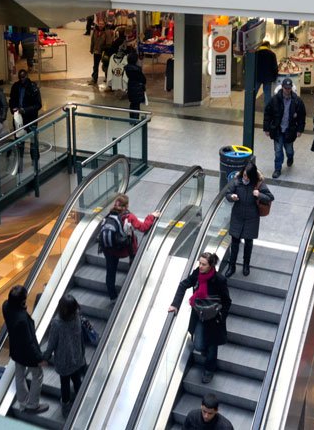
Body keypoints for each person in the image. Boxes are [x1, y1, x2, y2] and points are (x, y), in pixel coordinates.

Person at [168, 252, 231, 384]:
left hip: (214, 319)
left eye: (203, 264)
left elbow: (227, 301)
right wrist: (175, 304)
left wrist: (221, 316)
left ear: (211, 265)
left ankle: (209, 370)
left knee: (212, 347)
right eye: (199, 263)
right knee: (198, 344)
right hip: (200, 315)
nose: (200, 266)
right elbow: (183, 285)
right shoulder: (198, 274)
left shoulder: (219, 280)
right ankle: (206, 352)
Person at [101, 194, 160, 301]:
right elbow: (143, 227)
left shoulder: (110, 214)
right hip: (124, 249)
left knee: (110, 272)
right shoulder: (129, 217)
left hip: (109, 249)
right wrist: (151, 216)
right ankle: (133, 270)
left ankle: (113, 297)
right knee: (134, 239)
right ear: (127, 205)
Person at [2, 286, 49, 415]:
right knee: (37, 374)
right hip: (27, 353)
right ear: (22, 301)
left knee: (19, 374)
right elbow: (29, 343)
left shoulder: (5, 306)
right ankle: (33, 405)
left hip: (15, 350)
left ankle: (22, 402)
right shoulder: (22, 320)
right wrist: (39, 359)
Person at [222, 162, 274, 277]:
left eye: (248, 176)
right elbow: (227, 194)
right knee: (234, 241)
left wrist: (259, 194)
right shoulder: (237, 181)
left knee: (248, 242)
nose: (245, 178)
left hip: (252, 217)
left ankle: (246, 265)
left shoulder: (258, 184)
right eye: (244, 175)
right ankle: (232, 265)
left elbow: (270, 197)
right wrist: (232, 197)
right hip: (238, 215)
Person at [43, 294, 88, 417]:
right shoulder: (77, 317)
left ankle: (66, 407)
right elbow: (80, 338)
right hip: (77, 357)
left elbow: (51, 344)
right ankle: (81, 401)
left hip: (64, 361)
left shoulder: (57, 323)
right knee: (77, 380)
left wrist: (45, 357)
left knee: (65, 385)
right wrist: (82, 354)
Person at [263, 77, 306, 178]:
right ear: (282, 87)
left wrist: (300, 129)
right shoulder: (275, 100)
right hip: (277, 130)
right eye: (285, 88)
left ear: (291, 88)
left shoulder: (297, 101)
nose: (287, 90)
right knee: (278, 151)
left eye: (289, 88)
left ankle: (290, 157)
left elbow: (301, 116)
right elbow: (267, 114)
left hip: (290, 130)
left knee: (289, 149)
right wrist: (267, 128)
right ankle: (277, 169)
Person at [9, 69, 42, 163]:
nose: (22, 79)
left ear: (27, 76)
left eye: (23, 77)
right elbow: (12, 100)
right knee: (19, 140)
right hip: (18, 118)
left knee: (33, 140)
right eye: (20, 77)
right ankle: (19, 161)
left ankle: (35, 161)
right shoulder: (16, 86)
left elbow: (38, 105)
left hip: (31, 118)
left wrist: (25, 110)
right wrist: (13, 108)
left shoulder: (33, 87)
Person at [124, 52, 146, 120]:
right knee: (137, 105)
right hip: (137, 88)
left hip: (130, 86)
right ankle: (136, 120)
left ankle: (131, 119)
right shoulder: (137, 69)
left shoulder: (127, 68)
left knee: (132, 104)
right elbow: (143, 79)